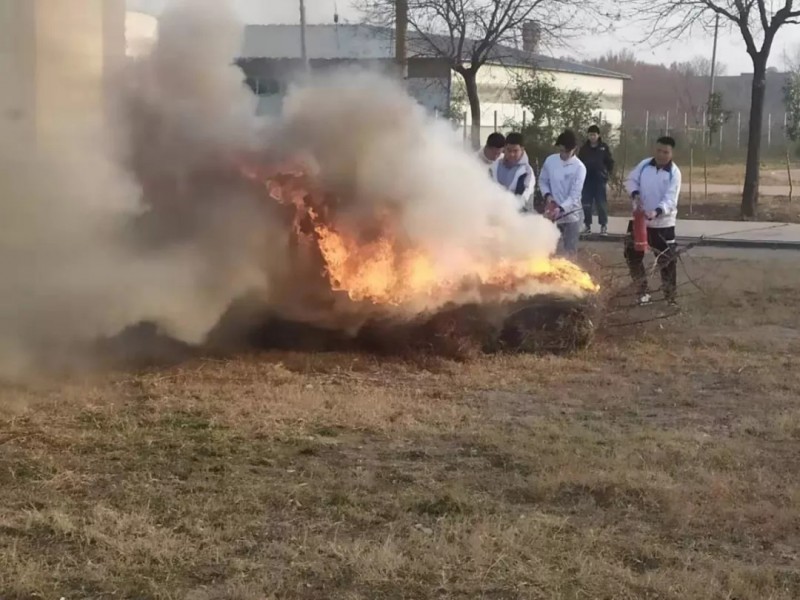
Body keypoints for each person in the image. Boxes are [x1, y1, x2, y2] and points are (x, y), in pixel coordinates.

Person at [624, 136, 682, 307]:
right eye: (659, 151)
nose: (661, 155)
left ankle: (670, 296)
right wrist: (635, 193)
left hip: (663, 224)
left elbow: (671, 199)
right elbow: (631, 180)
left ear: (672, 153)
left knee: (667, 261)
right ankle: (642, 291)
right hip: (639, 221)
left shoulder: (674, 173)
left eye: (666, 152)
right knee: (632, 255)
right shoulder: (644, 165)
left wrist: (657, 211)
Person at [539, 130, 587, 259]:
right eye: (561, 150)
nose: (564, 154)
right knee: (548, 249)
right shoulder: (550, 161)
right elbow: (543, 181)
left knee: (569, 252)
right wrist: (548, 196)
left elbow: (574, 195)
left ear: (574, 149)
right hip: (551, 212)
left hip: (571, 215)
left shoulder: (579, 167)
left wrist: (560, 209)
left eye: (567, 151)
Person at [577, 124, 614, 235]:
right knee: (586, 204)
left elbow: (610, 162)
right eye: (590, 135)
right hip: (587, 181)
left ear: (598, 135)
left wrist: (607, 174)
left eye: (594, 135)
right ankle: (587, 225)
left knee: (601, 204)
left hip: (599, 180)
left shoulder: (603, 148)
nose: (592, 137)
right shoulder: (584, 149)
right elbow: (579, 164)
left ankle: (603, 226)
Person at [489, 132, 535, 212]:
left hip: (518, 215)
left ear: (522, 149)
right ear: (504, 148)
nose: (511, 154)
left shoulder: (527, 171)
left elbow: (525, 196)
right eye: (509, 150)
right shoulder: (494, 166)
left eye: (515, 151)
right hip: (494, 211)